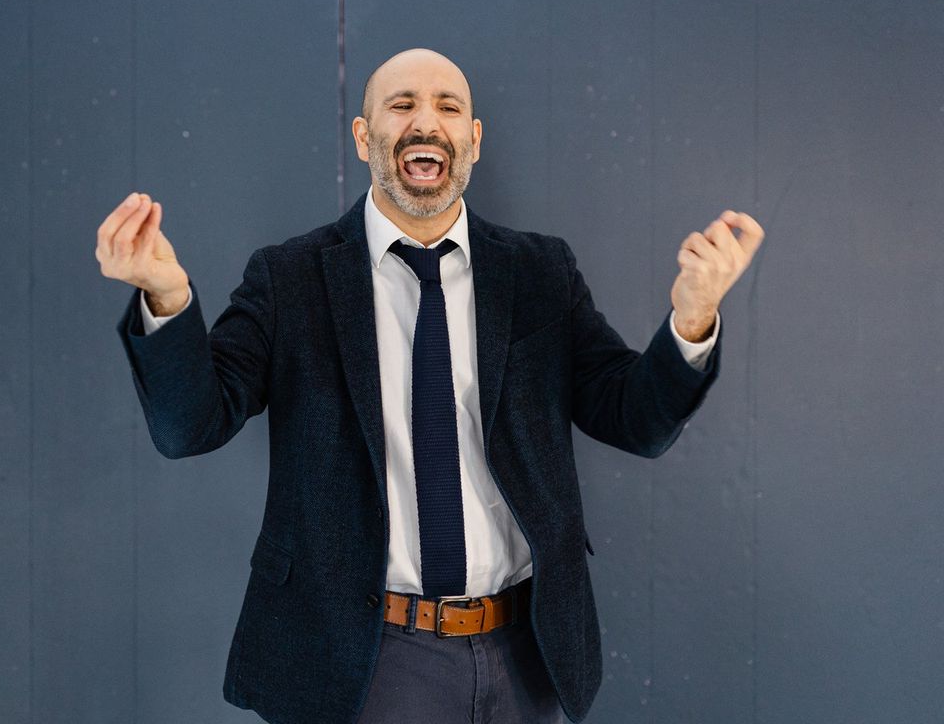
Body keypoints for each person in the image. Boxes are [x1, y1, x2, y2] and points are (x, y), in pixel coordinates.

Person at [95, 48, 764, 724]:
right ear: (364, 138)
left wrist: (692, 318)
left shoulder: (540, 272)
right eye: (402, 104)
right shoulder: (290, 279)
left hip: (524, 655)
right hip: (362, 660)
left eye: (448, 107)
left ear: (471, 141)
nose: (427, 122)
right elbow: (190, 426)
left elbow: (634, 419)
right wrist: (167, 297)